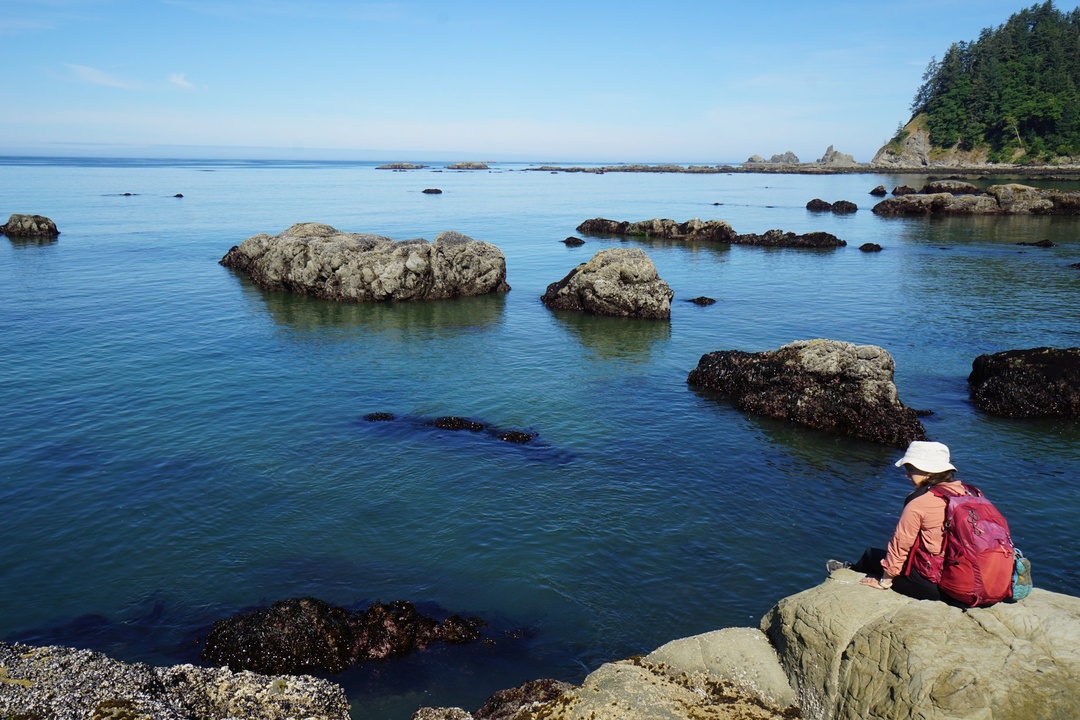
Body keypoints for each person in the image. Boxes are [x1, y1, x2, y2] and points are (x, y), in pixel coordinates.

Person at [827, 440, 967, 602]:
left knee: (871, 555)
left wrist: (885, 581)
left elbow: (901, 543)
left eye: (910, 469)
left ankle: (849, 571)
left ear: (928, 471)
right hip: (972, 577)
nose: (906, 474)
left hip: (941, 587)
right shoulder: (970, 494)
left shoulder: (920, 502)